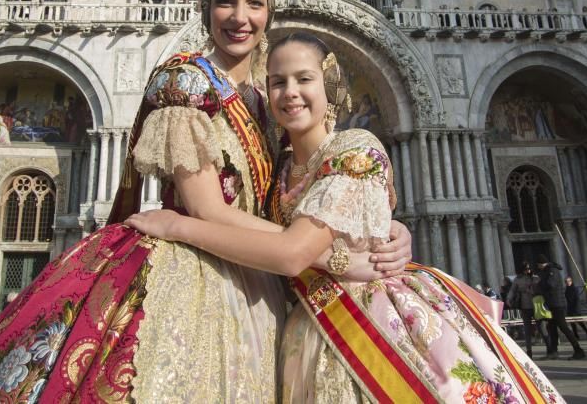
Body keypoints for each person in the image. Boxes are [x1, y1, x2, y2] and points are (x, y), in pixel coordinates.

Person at [0, 0, 411, 402]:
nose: (239, 16)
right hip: (201, 267)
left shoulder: (270, 101)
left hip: (265, 276)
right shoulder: (186, 85)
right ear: (204, 8)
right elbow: (207, 211)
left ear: (270, 12)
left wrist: (385, 229)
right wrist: (334, 256)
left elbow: (312, 190)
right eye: (225, 1)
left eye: (254, 3)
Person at [127, 33, 562, 401]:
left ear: (329, 85)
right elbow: (266, 232)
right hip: (304, 328)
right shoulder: (278, 170)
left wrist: (178, 224)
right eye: (276, 82)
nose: (289, 92)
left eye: (304, 79)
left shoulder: (355, 148)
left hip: (371, 326)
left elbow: (291, 252)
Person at [534, 255, 586, 360]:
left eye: (538, 265)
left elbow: (550, 284)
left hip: (557, 304)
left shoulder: (552, 271)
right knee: (552, 328)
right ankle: (554, 352)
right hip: (551, 303)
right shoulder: (547, 271)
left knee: (563, 327)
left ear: (540, 264)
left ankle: (578, 350)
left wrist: (539, 283)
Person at [506, 261, 545, 357]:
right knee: (527, 330)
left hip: (536, 306)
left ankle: (550, 347)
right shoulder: (517, 279)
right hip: (525, 307)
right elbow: (512, 290)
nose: (528, 270)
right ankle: (529, 351)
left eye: (529, 269)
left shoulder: (535, 278)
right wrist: (508, 299)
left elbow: (541, 289)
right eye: (526, 269)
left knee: (541, 327)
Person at [564, 275, 587, 340]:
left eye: (568, 281)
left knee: (580, 322)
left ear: (571, 281)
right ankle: (576, 335)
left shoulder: (574, 288)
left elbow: (577, 299)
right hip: (570, 308)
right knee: (572, 323)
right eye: (566, 282)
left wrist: (576, 308)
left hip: (576, 308)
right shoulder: (566, 290)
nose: (567, 283)